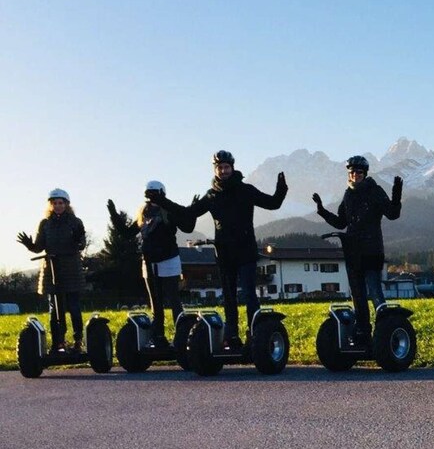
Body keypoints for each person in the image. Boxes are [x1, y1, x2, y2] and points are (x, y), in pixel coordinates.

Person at [147, 150, 287, 349]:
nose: (223, 171)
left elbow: (273, 203)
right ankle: (232, 336)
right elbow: (188, 212)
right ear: (215, 170)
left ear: (232, 168)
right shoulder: (212, 195)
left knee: (249, 294)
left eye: (226, 167)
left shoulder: (245, 190)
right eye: (219, 168)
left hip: (245, 250)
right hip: (224, 253)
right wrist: (162, 201)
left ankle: (255, 335)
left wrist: (281, 189)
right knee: (229, 297)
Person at [313, 156, 402, 343]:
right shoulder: (348, 195)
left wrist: (396, 196)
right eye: (352, 172)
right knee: (358, 296)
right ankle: (363, 332)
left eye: (359, 172)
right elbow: (341, 221)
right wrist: (322, 210)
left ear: (365, 174)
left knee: (375, 291)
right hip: (354, 252)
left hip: (372, 250)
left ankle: (385, 333)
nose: (355, 175)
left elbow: (393, 214)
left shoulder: (375, 191)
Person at [107, 181, 196, 348]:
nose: (151, 196)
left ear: (162, 193)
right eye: (149, 193)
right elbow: (127, 233)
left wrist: (191, 211)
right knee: (155, 303)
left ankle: (182, 337)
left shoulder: (169, 211)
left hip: (169, 260)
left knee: (174, 300)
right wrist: (114, 214)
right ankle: (158, 336)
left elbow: (187, 227)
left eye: (154, 193)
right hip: (148, 262)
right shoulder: (143, 213)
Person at [16, 189, 87, 352]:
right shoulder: (45, 223)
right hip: (52, 268)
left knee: (74, 306)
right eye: (54, 203)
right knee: (54, 308)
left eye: (60, 203)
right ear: (51, 205)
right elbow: (39, 246)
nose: (57, 206)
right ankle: (58, 342)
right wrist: (30, 245)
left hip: (71, 268)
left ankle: (78, 341)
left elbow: (81, 244)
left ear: (66, 204)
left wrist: (77, 240)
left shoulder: (75, 222)